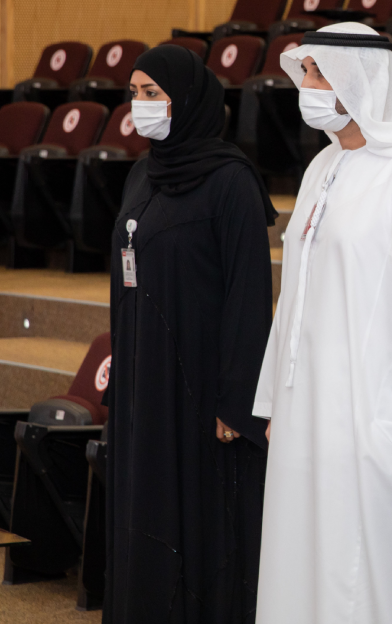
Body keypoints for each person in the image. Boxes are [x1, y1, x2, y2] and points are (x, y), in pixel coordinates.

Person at [251, 23, 392, 624]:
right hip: (308, 413)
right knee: (306, 567)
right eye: (306, 74)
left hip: (380, 421)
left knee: (372, 579)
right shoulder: (322, 168)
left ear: (359, 79)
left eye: (321, 73)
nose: (308, 86)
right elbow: (292, 295)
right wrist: (275, 401)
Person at [105, 45, 277, 623]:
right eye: (134, 93)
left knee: (202, 523)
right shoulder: (141, 173)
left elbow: (249, 296)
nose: (141, 105)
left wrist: (237, 402)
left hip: (204, 393)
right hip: (144, 383)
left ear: (189, 99)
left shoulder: (231, 182)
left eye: (153, 93)